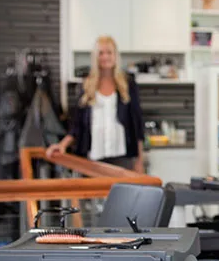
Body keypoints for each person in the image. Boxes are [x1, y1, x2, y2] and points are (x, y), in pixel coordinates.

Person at [46, 36, 146, 172]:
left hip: (123, 158)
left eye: (109, 52)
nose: (105, 57)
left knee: (123, 193)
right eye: (101, 53)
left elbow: (137, 125)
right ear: (95, 57)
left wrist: (139, 161)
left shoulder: (128, 85)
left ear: (115, 56)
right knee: (95, 194)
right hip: (93, 158)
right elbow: (77, 125)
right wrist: (62, 145)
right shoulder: (87, 85)